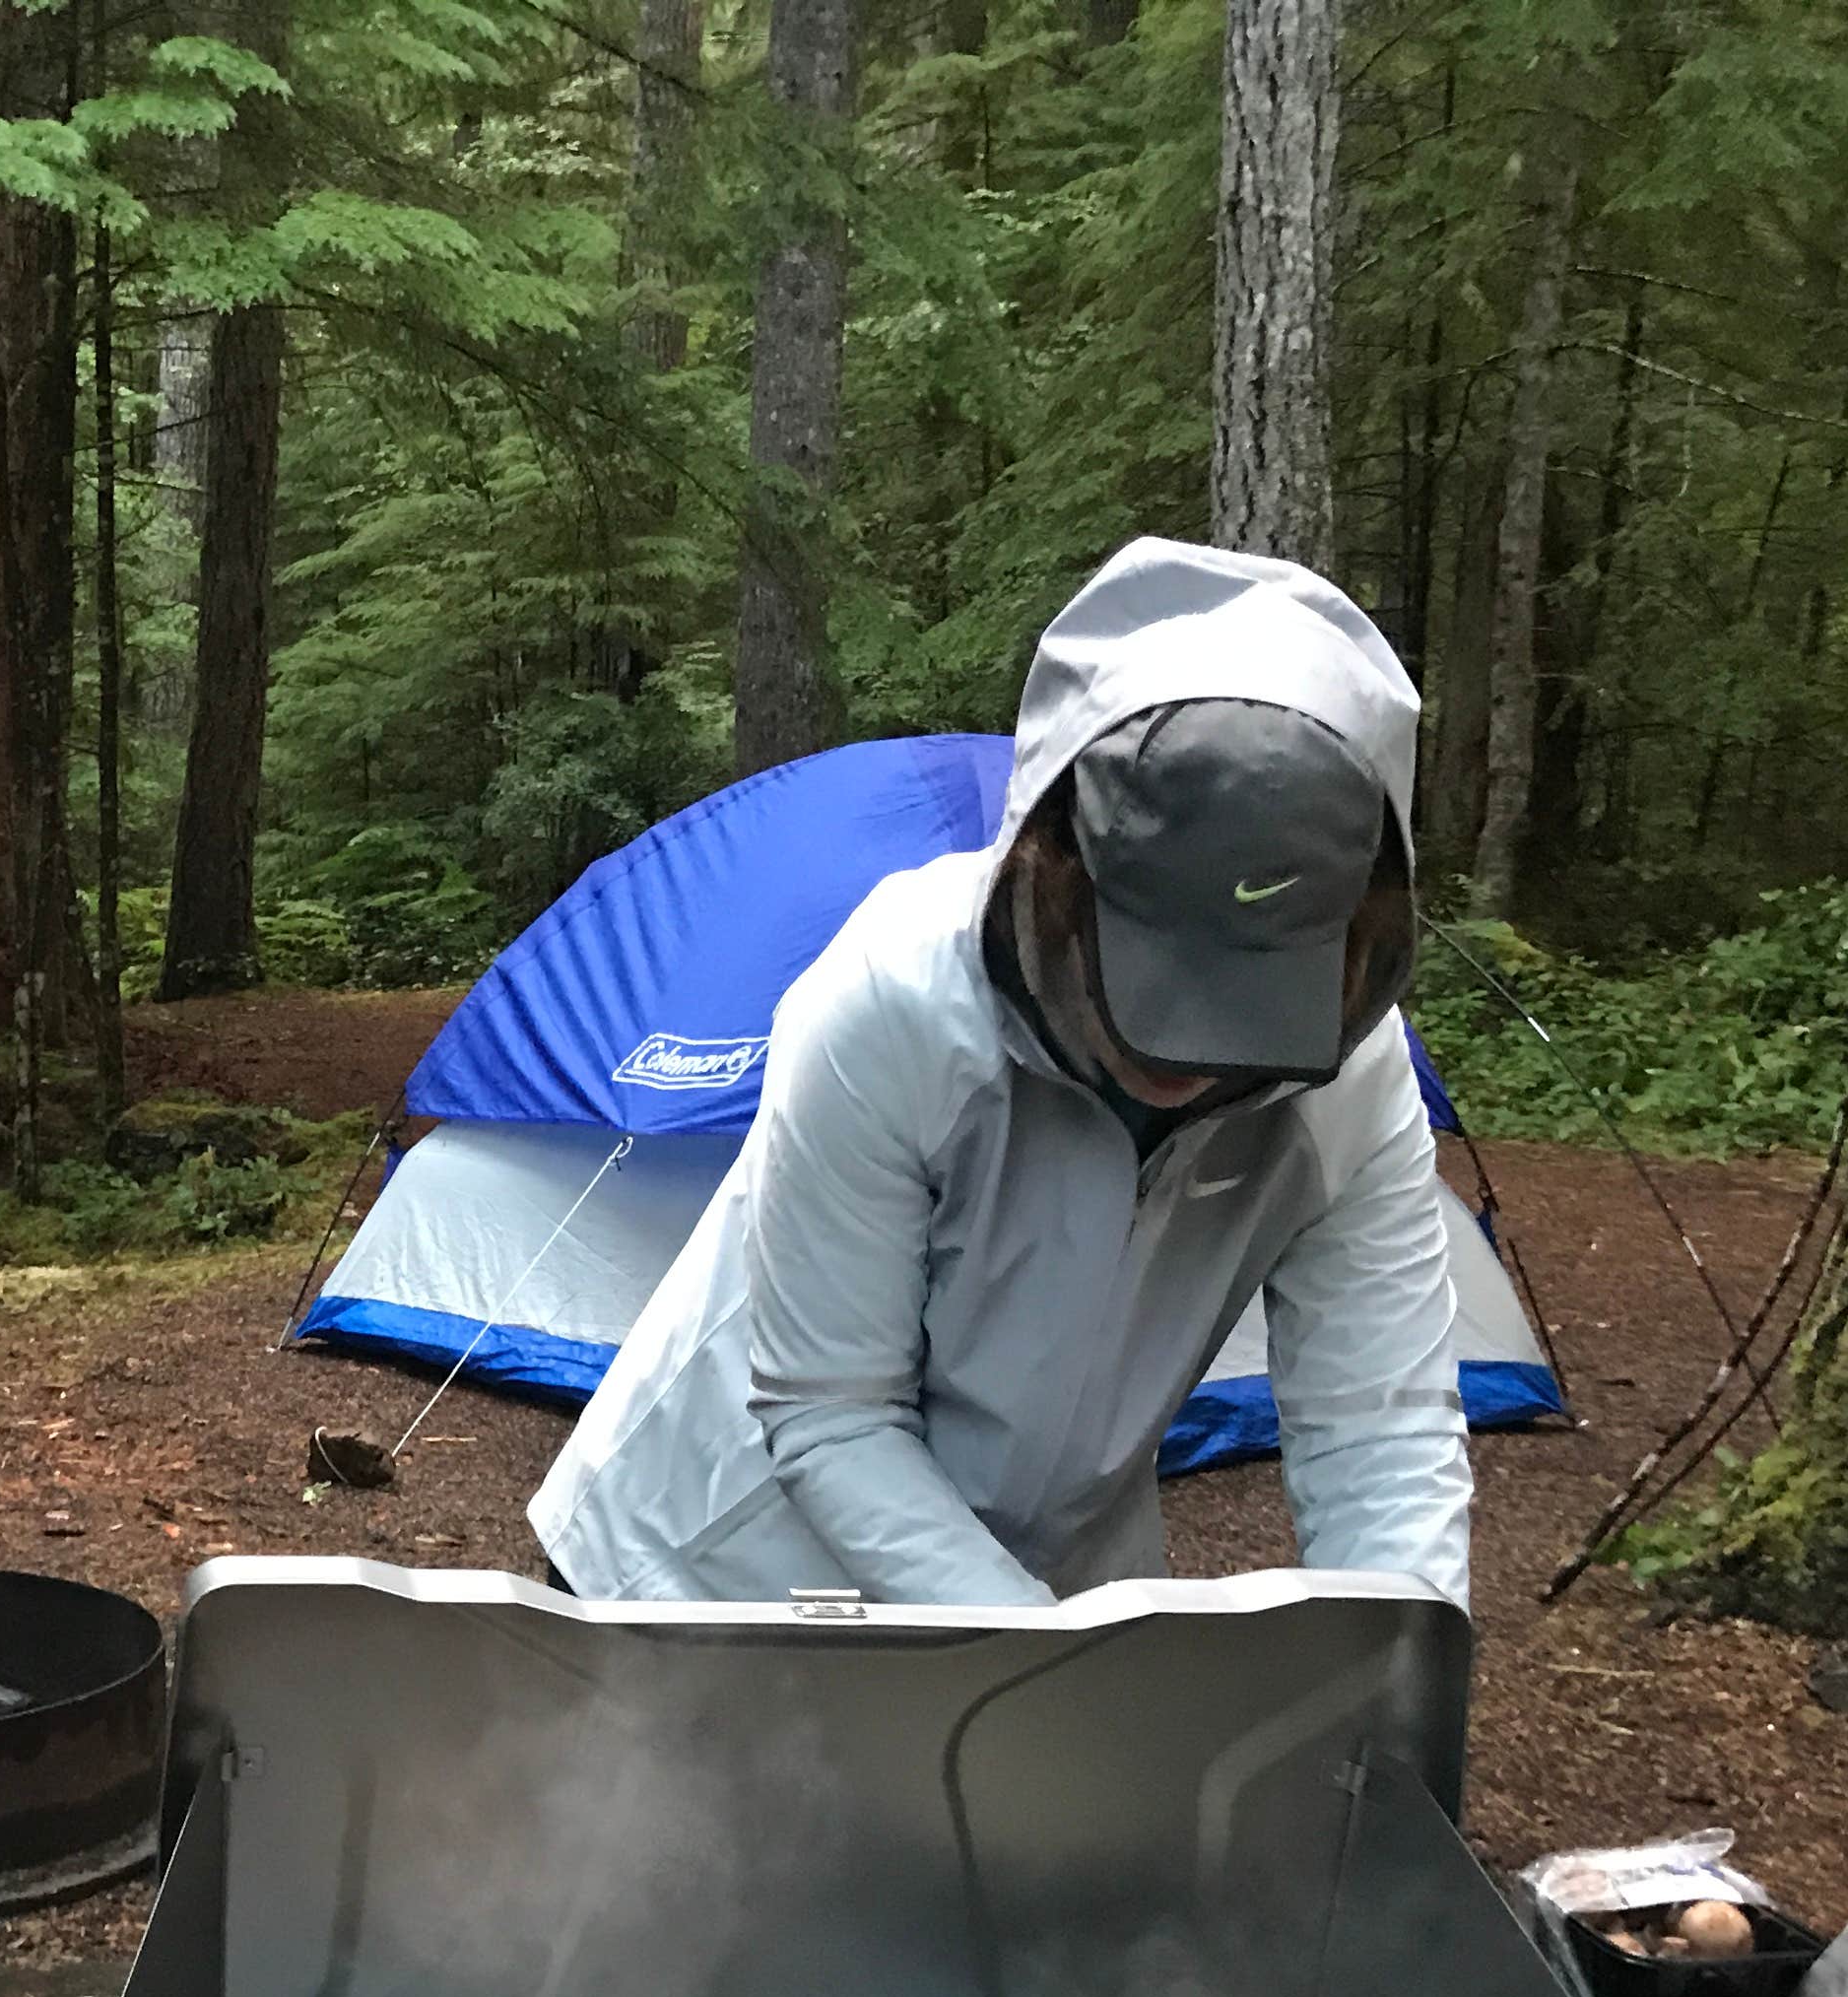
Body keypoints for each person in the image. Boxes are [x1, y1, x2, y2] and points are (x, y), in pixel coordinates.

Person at [528, 537, 1472, 1611]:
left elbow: (1378, 1424)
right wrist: (1048, 1664)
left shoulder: (1355, 1087)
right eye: (1152, 964)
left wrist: (1399, 1698)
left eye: (1243, 983)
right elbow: (835, 1413)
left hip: (1033, 1596)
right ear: (1053, 858)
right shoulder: (894, 1000)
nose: (1177, 1051)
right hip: (705, 1570)